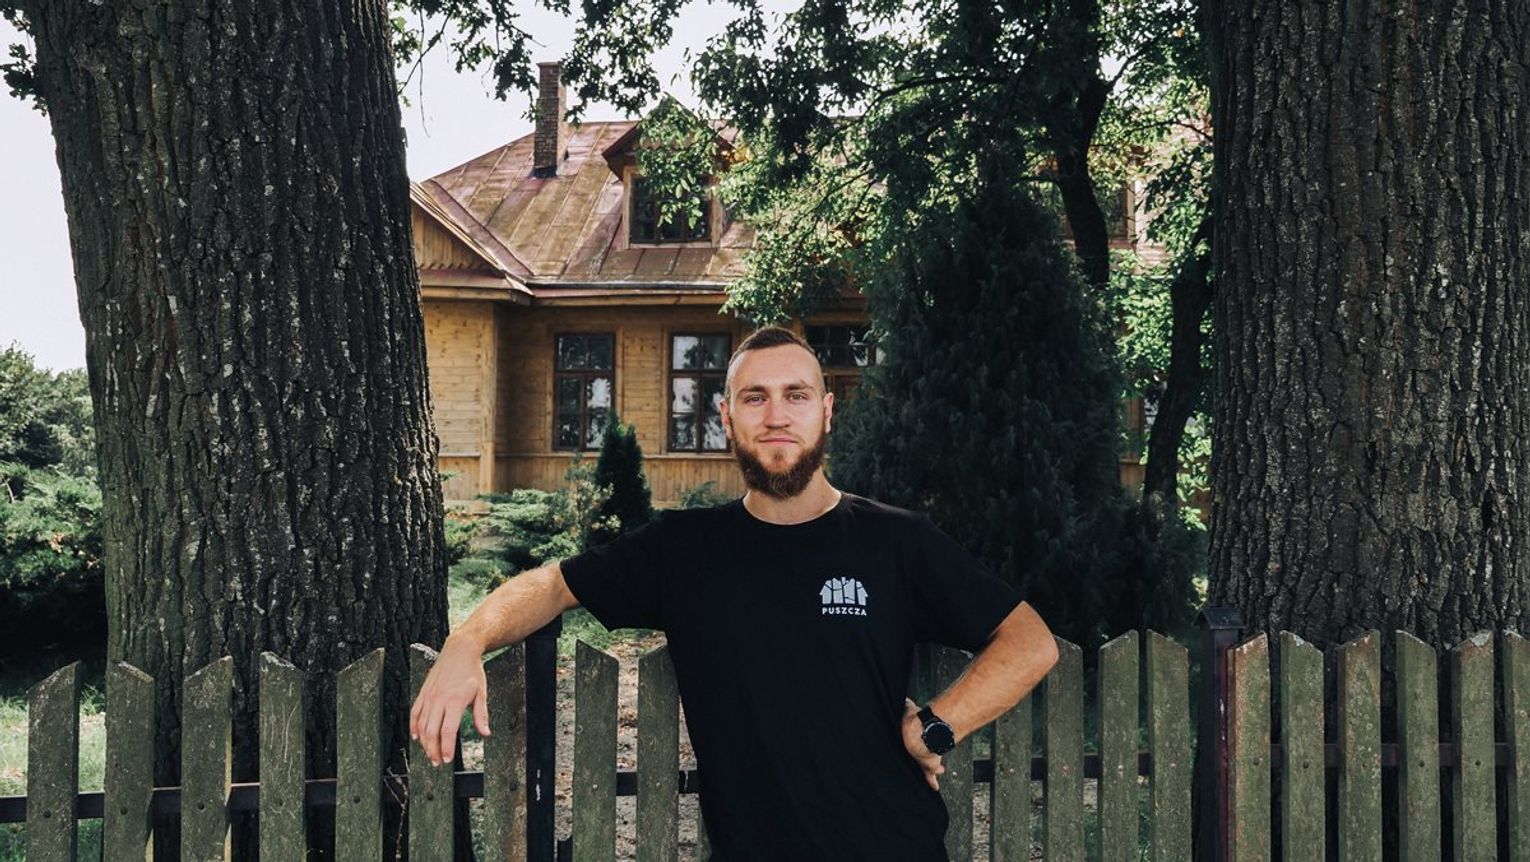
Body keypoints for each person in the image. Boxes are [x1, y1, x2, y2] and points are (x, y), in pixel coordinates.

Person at [410, 326, 1060, 861]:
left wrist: (935, 728)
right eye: (754, 398)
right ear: (725, 416)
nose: (776, 416)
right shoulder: (684, 549)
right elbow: (553, 584)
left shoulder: (897, 541)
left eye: (796, 395)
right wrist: (468, 641)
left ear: (827, 411)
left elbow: (1030, 641)